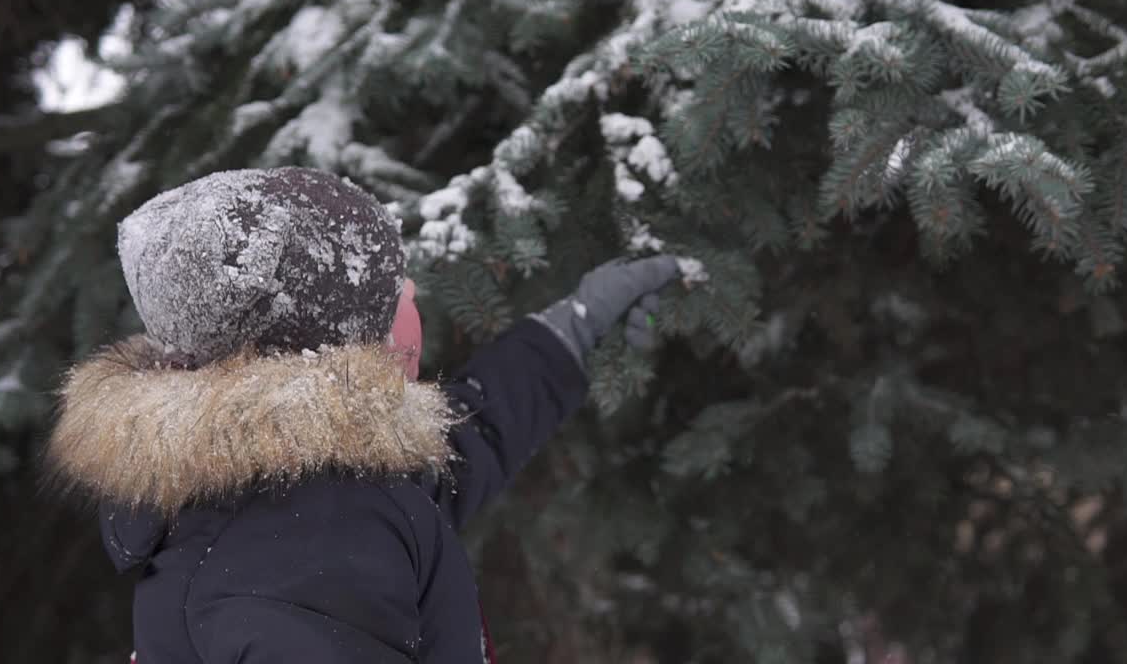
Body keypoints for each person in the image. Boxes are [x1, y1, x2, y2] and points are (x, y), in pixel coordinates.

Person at [46, 167, 681, 663]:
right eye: (392, 289)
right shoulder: (303, 549)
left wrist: (571, 333)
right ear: (339, 345)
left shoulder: (295, 483)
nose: (410, 292)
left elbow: (456, 450)